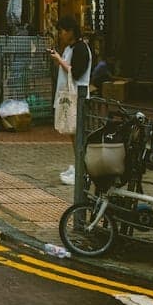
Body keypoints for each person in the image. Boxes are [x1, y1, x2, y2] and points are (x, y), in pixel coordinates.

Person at [50, 15, 91, 185]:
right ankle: (80, 167)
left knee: (78, 135)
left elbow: (76, 72)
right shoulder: (70, 48)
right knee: (74, 134)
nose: (60, 35)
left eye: (62, 31)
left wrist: (59, 60)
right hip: (71, 98)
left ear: (70, 31)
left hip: (77, 99)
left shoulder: (81, 48)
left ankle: (83, 171)